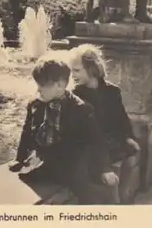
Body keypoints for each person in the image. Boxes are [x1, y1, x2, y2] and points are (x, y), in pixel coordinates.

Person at [9, 55, 119, 204]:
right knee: (26, 179)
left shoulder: (80, 109)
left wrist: (104, 169)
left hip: (72, 163)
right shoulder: (35, 105)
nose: (38, 89)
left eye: (42, 85)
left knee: (87, 192)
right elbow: (27, 132)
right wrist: (19, 159)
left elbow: (96, 141)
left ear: (60, 85)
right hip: (47, 161)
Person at [69, 44, 141, 204]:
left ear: (92, 68)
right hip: (95, 150)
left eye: (77, 70)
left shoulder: (112, 91)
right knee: (111, 190)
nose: (72, 75)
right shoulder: (76, 96)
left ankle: (124, 200)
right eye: (71, 70)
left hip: (114, 143)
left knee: (130, 160)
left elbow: (122, 120)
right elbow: (82, 134)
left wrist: (129, 137)